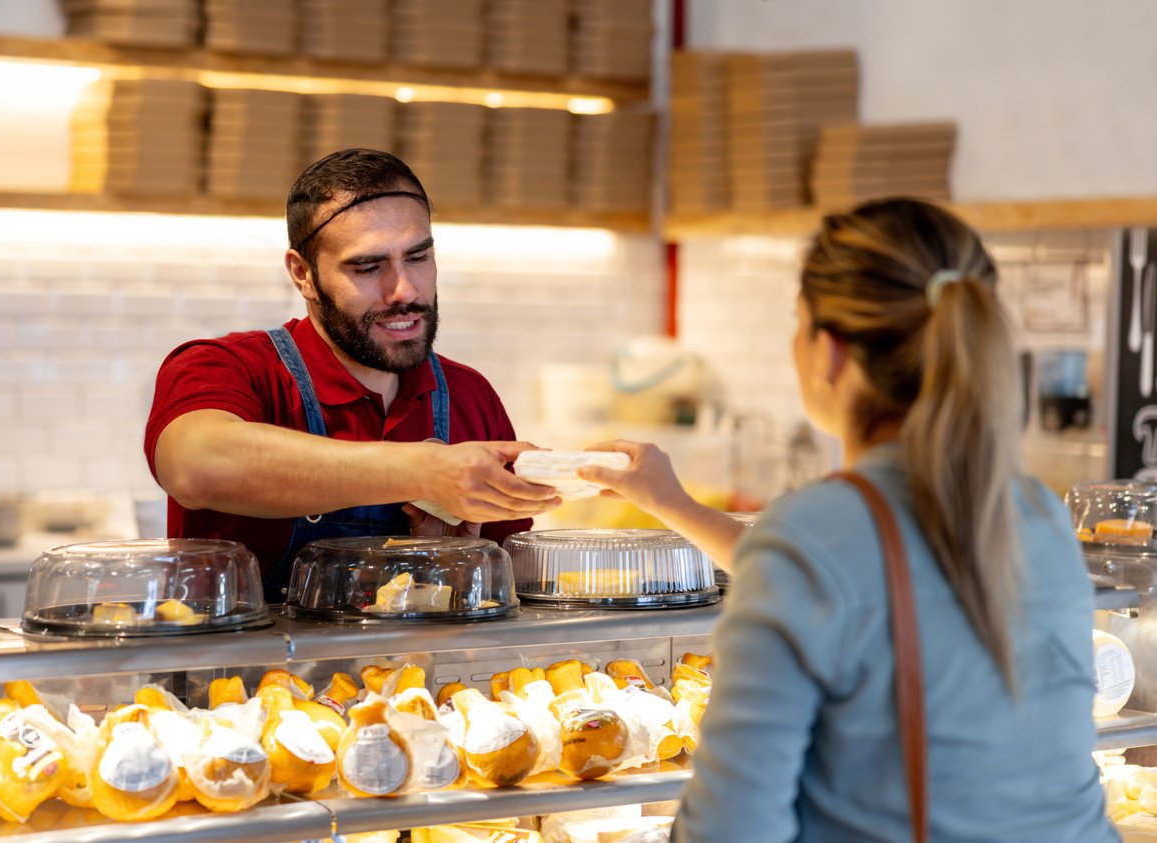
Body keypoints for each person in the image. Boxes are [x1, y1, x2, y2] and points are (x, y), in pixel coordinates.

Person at [580, 198, 1115, 842]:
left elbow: (731, 829)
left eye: (797, 323)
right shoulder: (1034, 514)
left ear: (828, 353)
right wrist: (675, 505)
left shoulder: (813, 540)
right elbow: (863, 581)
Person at [144, 148, 559, 602]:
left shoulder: (468, 394)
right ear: (302, 274)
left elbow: (512, 600)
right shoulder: (229, 366)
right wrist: (427, 472)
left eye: (418, 258)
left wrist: (458, 565)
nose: (404, 290)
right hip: (237, 673)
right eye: (367, 267)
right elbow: (198, 465)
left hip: (417, 673)